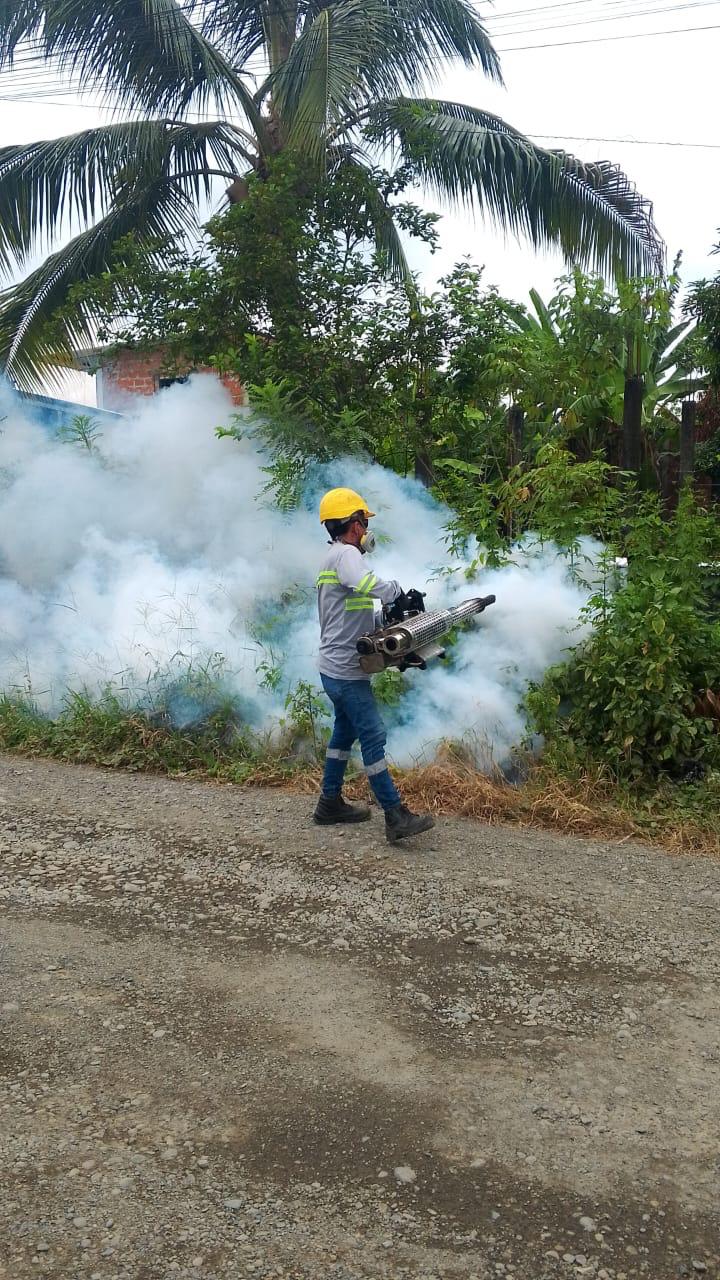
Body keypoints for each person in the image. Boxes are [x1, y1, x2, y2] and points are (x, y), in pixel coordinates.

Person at [313, 487, 435, 844]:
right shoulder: (347, 555)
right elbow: (367, 584)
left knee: (343, 734)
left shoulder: (332, 557)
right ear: (354, 524)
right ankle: (395, 815)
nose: (366, 529)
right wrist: (397, 591)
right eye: (363, 522)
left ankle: (329, 803)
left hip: (333, 666)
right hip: (346, 670)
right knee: (373, 736)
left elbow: (351, 609)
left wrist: (385, 616)